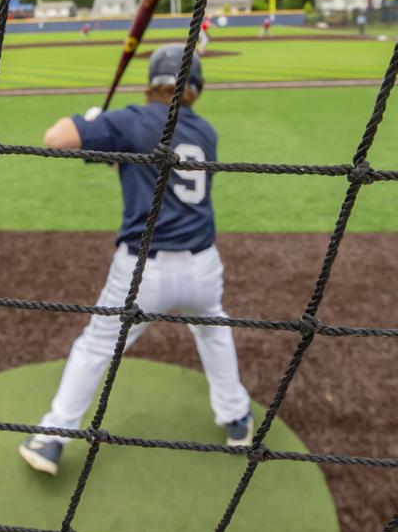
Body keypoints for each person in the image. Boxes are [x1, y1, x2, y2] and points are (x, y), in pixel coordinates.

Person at [18, 44, 253, 476]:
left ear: (152, 82)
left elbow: (55, 139)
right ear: (194, 88)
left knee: (95, 346)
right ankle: (238, 419)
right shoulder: (206, 132)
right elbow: (147, 169)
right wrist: (104, 142)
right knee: (214, 332)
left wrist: (91, 124)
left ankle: (52, 439)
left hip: (143, 272)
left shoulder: (131, 120)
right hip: (203, 266)